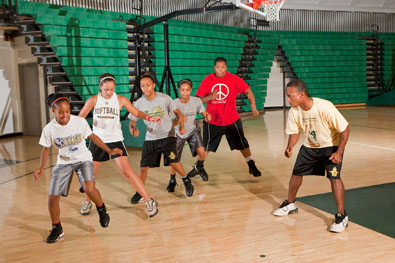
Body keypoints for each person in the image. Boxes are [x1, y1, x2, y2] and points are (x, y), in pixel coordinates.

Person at [34, 93, 120, 243]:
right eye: (61, 112)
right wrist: (40, 168)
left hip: (83, 159)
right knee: (53, 197)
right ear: (53, 111)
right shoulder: (49, 129)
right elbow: (45, 149)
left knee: (88, 188)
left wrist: (109, 150)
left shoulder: (79, 122)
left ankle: (101, 208)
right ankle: (56, 228)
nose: (65, 115)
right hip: (64, 162)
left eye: (67, 111)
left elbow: (93, 137)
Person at [273, 79, 351, 233]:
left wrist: (339, 151)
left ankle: (342, 215)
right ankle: (290, 203)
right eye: (287, 96)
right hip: (310, 147)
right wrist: (290, 147)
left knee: (334, 177)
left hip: (330, 146)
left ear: (301, 95)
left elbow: (345, 128)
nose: (288, 100)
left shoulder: (324, 107)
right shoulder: (294, 111)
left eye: (290, 96)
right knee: (296, 174)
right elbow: (295, 132)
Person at [78, 73, 160, 218]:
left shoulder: (120, 100)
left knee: (127, 172)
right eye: (106, 90)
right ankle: (87, 201)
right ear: (100, 88)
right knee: (91, 177)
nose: (109, 92)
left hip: (115, 140)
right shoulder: (93, 100)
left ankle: (149, 201)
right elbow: (79, 119)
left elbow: (135, 112)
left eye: (111, 89)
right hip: (98, 141)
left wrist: (148, 117)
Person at [128, 73, 194, 202]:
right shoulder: (139, 103)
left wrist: (181, 125)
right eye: (142, 86)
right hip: (151, 137)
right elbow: (132, 121)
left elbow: (178, 113)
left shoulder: (164, 98)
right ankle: (140, 192)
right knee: (143, 168)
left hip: (168, 135)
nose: (145, 88)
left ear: (153, 85)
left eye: (148, 85)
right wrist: (133, 129)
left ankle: (186, 179)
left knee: (173, 162)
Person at [195, 57, 262, 177]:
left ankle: (251, 164)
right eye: (218, 67)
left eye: (222, 67)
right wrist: (210, 97)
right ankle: (198, 166)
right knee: (206, 146)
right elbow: (198, 100)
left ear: (226, 68)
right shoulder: (208, 80)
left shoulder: (233, 79)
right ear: (214, 68)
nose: (220, 69)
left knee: (242, 143)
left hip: (232, 119)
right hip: (213, 120)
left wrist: (253, 108)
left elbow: (249, 92)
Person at [166, 79, 211, 192]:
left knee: (202, 152)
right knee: (174, 159)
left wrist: (207, 116)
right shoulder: (174, 104)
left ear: (191, 90)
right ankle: (172, 180)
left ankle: (199, 167)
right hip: (177, 133)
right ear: (179, 90)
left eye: (187, 90)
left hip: (192, 130)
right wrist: (179, 121)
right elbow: (169, 124)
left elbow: (204, 113)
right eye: (182, 90)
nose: (185, 92)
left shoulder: (196, 101)